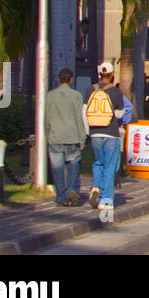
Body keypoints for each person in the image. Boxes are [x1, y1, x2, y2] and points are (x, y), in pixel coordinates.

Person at [84, 61, 127, 213]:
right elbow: (121, 113)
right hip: (111, 134)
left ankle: (96, 186)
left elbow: (85, 112)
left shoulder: (90, 90)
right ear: (112, 75)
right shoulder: (115, 92)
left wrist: (88, 131)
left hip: (95, 133)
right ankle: (106, 200)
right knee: (110, 166)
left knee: (98, 163)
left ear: (99, 74)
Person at [45, 68, 87, 207]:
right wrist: (82, 138)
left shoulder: (50, 95)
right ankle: (72, 190)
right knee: (73, 165)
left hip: (55, 136)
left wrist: (47, 134)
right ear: (71, 80)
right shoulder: (76, 95)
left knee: (57, 169)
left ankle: (60, 196)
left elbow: (46, 118)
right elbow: (79, 118)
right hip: (72, 136)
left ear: (59, 79)